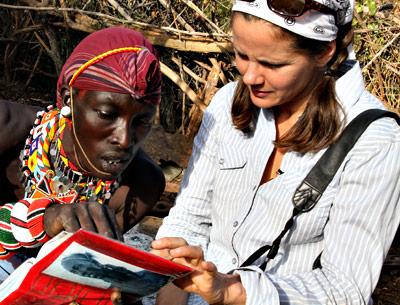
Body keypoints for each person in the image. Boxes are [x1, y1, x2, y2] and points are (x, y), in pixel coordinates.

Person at [149, 0, 400, 304]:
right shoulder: (228, 102)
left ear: (324, 52)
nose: (250, 77)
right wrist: (172, 279)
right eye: (241, 55)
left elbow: (345, 289)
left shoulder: (375, 140)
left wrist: (233, 290)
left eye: (272, 64)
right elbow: (189, 218)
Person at [0, 26, 165, 289]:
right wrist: (43, 219)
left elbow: (87, 277)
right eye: (106, 114)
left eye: (141, 121)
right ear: (69, 99)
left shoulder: (141, 186)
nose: (124, 140)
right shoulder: (6, 129)